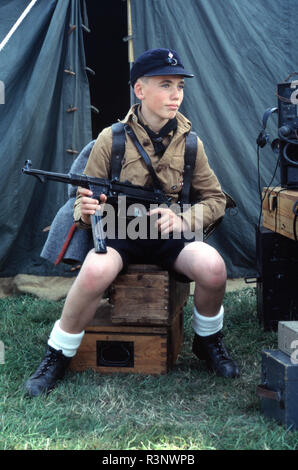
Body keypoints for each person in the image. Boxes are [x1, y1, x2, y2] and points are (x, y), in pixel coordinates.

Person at [25, 48, 239, 397]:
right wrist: (88, 210)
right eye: (165, 85)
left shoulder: (191, 144)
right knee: (94, 272)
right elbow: (83, 197)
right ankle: (58, 354)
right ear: (140, 91)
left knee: (214, 268)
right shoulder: (112, 139)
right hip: (122, 231)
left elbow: (216, 199)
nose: (176, 95)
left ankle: (208, 340)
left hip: (169, 232)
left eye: (180, 86)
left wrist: (183, 219)